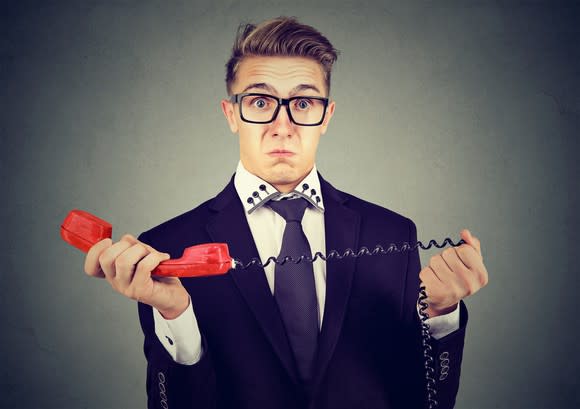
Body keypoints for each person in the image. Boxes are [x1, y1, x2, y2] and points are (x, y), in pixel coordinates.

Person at [83, 16, 489, 409]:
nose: (282, 125)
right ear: (230, 114)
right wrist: (175, 313)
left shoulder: (392, 234)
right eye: (260, 102)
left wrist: (441, 316)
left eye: (303, 102)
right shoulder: (167, 249)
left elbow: (423, 401)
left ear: (325, 117)